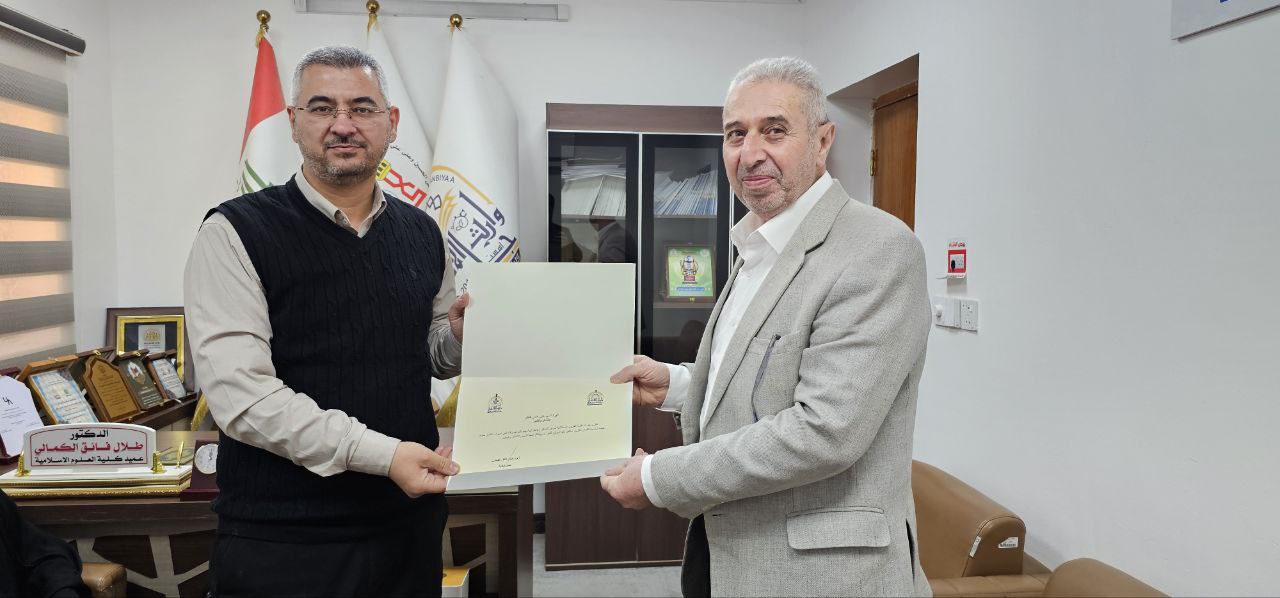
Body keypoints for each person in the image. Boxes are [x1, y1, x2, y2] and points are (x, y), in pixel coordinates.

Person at [602, 57, 933, 597]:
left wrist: (660, 477)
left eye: (774, 130)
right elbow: (762, 374)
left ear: (823, 141)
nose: (750, 152)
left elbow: (824, 431)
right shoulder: (758, 243)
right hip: (726, 554)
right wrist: (678, 385)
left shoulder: (878, 249)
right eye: (736, 134)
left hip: (820, 578)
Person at [184, 45, 465, 597]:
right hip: (285, 540)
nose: (343, 124)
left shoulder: (423, 232)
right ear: (293, 122)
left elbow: (430, 355)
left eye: (362, 108)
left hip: (407, 525)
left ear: (391, 123)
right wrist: (384, 456)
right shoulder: (234, 233)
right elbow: (243, 398)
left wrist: (456, 335)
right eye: (321, 107)